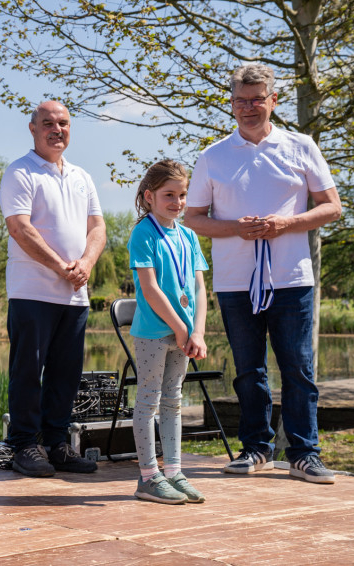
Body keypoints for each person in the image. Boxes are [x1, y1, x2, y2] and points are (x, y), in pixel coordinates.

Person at [186, 63, 342, 484]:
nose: (248, 107)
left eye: (257, 99)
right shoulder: (212, 156)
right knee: (248, 371)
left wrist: (285, 224)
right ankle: (256, 449)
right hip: (236, 282)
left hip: (291, 279)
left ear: (273, 100)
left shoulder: (301, 146)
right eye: (241, 100)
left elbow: (332, 207)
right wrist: (236, 228)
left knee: (298, 369)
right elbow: (193, 218)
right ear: (231, 104)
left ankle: (304, 454)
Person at [0, 100, 106, 478]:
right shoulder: (20, 172)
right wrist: (62, 267)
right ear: (33, 129)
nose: (56, 129)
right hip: (32, 291)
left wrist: (86, 264)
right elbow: (19, 228)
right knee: (28, 372)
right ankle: (25, 445)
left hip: (75, 294)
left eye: (63, 123)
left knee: (66, 373)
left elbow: (98, 228)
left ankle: (57, 444)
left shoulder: (82, 176)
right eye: (48, 123)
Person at [128, 160, 208, 504]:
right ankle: (148, 477)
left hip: (185, 335)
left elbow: (200, 288)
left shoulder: (189, 235)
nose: (177, 202)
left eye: (182, 194)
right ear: (150, 196)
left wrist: (197, 331)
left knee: (174, 402)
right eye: (169, 195)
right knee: (148, 401)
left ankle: (174, 472)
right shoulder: (143, 233)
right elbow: (150, 289)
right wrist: (179, 327)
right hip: (154, 332)